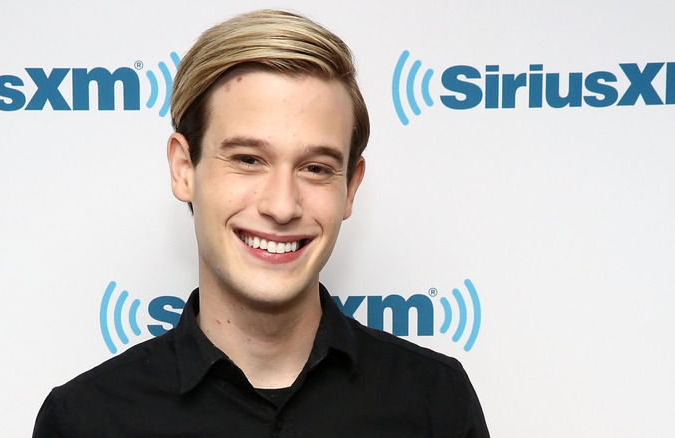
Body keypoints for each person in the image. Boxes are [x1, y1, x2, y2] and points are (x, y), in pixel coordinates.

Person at [33, 9, 489, 437]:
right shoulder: (85, 420)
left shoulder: (436, 401)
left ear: (350, 187)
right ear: (183, 169)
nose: (282, 205)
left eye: (315, 168)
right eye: (248, 160)